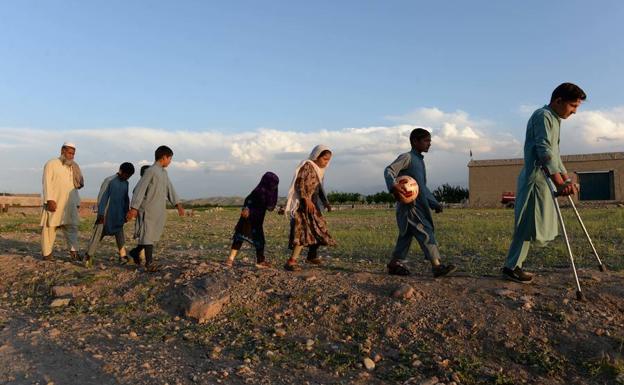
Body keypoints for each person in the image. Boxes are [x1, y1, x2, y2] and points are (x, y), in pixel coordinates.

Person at [502, 83, 585, 282]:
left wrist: (566, 178)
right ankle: (511, 266)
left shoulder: (555, 119)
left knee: (530, 223)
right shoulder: (543, 116)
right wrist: (559, 182)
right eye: (573, 106)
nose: (574, 111)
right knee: (525, 223)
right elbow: (544, 151)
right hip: (535, 179)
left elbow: (555, 155)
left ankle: (513, 265)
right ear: (558, 101)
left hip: (544, 178)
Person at [384, 128, 456, 278]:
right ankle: (436, 266)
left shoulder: (419, 161)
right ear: (415, 141)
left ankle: (394, 264)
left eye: (430, 141)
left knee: (406, 236)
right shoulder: (407, 157)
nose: (429, 144)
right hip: (412, 208)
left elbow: (421, 188)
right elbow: (389, 170)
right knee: (426, 232)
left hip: (416, 206)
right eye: (426, 140)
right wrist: (393, 185)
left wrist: (435, 203)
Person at [126, 146, 184, 272]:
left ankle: (134, 252)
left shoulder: (164, 173)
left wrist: (177, 204)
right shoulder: (151, 171)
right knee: (147, 235)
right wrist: (134, 208)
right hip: (147, 209)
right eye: (170, 159)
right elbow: (139, 189)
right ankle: (149, 264)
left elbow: (170, 188)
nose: (170, 161)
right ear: (164, 157)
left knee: (149, 235)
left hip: (158, 209)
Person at [283, 145, 336, 271]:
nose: (326, 162)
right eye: (324, 159)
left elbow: (319, 189)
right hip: (302, 206)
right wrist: (306, 199)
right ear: (316, 156)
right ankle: (291, 262)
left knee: (318, 228)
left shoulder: (319, 171)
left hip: (313, 205)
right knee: (302, 233)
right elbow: (299, 182)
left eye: (328, 160)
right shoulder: (307, 165)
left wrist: (325, 202)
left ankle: (311, 256)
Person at [83, 162, 135, 268]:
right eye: (126, 175)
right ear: (120, 171)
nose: (127, 177)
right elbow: (102, 198)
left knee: (120, 235)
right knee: (97, 236)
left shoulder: (126, 183)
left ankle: (122, 256)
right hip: (106, 215)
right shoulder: (109, 180)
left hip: (119, 214)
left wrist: (126, 212)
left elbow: (126, 198)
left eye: (129, 176)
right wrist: (101, 214)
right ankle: (88, 256)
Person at [225, 172, 280, 268]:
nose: (274, 186)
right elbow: (248, 200)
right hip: (248, 218)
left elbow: (269, 206)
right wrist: (246, 208)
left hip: (257, 221)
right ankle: (230, 260)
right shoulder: (258, 191)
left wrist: (280, 209)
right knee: (239, 237)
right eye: (273, 183)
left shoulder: (267, 194)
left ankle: (260, 261)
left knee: (260, 241)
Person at [40, 142, 84, 261]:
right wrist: (49, 199)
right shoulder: (52, 163)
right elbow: (46, 182)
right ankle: (47, 254)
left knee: (72, 227)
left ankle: (74, 252)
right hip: (54, 202)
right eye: (69, 153)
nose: (71, 156)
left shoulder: (73, 166)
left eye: (73, 154)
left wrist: (77, 202)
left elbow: (75, 186)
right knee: (49, 228)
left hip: (70, 203)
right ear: (62, 151)